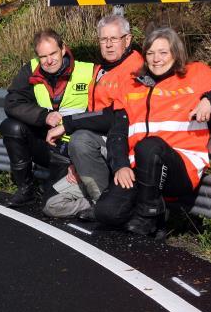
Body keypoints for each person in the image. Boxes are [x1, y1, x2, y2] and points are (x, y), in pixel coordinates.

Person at [96, 26, 211, 235]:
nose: (156, 59)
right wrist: (121, 166)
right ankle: (154, 208)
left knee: (149, 146)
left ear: (175, 53)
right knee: (106, 213)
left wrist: (210, 100)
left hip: (180, 168)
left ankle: (149, 215)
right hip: (139, 168)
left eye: (163, 52)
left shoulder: (194, 74)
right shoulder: (132, 85)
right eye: (150, 53)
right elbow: (117, 132)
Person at [45, 15, 143, 219]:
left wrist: (67, 125)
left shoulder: (135, 70)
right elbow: (92, 113)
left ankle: (105, 207)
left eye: (114, 39)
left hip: (122, 144)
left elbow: (113, 117)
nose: (108, 45)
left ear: (127, 39)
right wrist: (79, 162)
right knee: (51, 202)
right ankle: (100, 200)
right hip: (98, 144)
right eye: (103, 39)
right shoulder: (102, 69)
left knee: (80, 139)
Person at [1, 29, 94, 208]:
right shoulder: (31, 69)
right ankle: (25, 190)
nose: (49, 60)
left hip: (76, 149)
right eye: (43, 56)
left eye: (53, 53)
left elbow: (100, 115)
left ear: (63, 49)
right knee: (11, 127)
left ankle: (98, 205)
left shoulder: (88, 71)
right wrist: (43, 116)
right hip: (48, 146)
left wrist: (81, 160)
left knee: (50, 201)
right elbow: (12, 102)